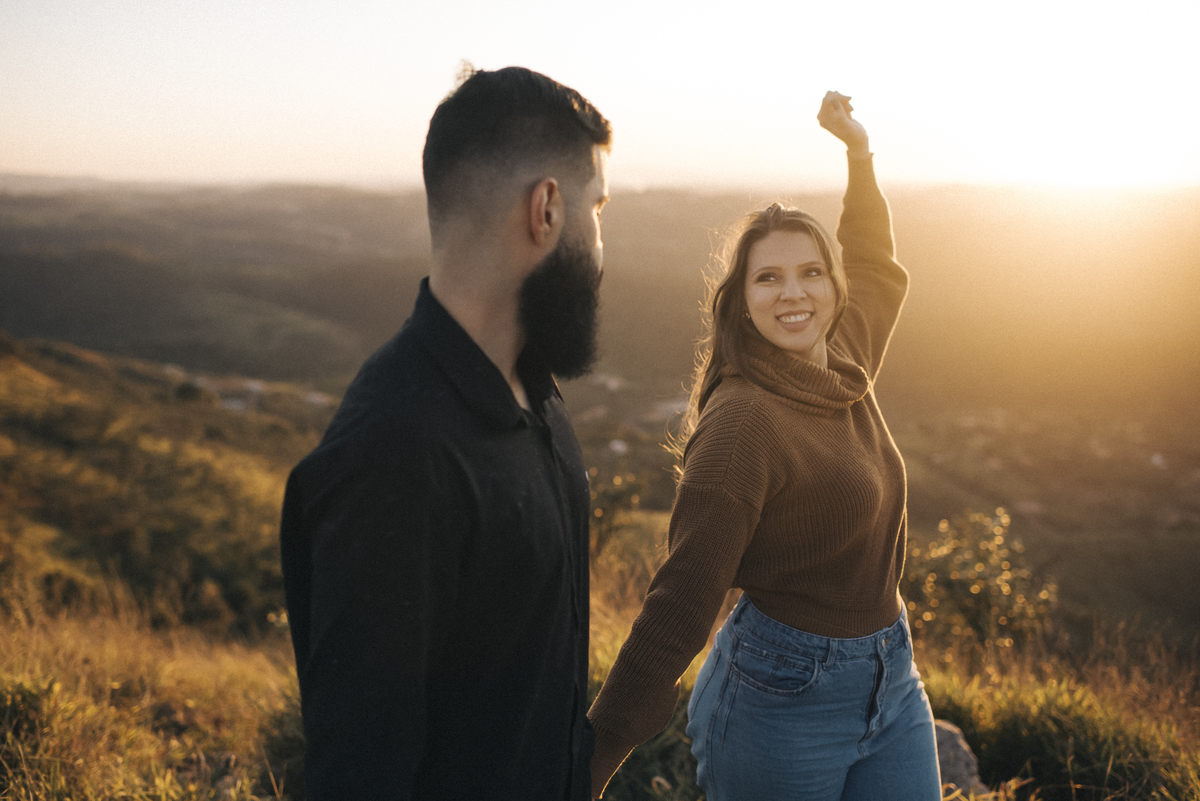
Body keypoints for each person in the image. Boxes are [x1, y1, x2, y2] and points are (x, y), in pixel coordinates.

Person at [586, 92, 941, 800]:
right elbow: (680, 603)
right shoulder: (743, 424)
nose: (794, 293)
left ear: (833, 286)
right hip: (782, 694)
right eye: (768, 277)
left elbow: (876, 261)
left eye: (811, 271)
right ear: (741, 300)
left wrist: (859, 152)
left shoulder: (842, 360)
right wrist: (587, 763)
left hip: (891, 677)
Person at [280, 66, 611, 801]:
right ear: (547, 210)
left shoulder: (538, 401)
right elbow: (359, 776)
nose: (600, 242)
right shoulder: (393, 455)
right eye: (599, 209)